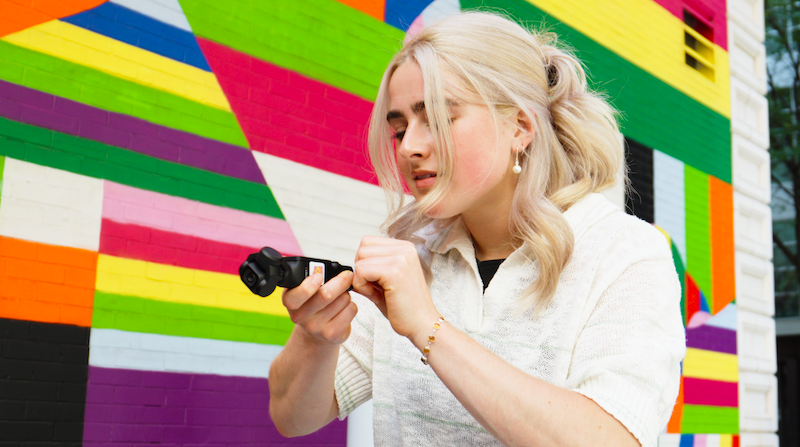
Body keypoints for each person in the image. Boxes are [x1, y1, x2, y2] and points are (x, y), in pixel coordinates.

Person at [267, 11, 686, 447]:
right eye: (399, 129)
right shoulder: (415, 256)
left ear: (520, 127)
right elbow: (292, 417)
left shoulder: (626, 254)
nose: (409, 146)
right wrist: (316, 339)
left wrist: (430, 328)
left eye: (438, 119)